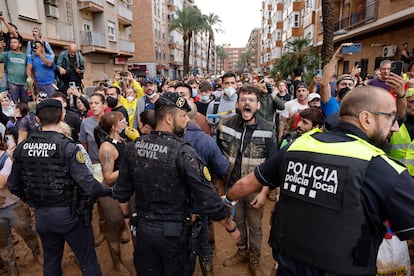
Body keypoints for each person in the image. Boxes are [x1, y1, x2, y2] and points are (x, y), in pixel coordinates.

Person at [224, 85, 414, 275]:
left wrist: (226, 201)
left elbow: (246, 183)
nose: (396, 126)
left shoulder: (298, 146)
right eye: (392, 117)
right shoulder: (382, 168)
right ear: (366, 118)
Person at [112, 92, 240, 276]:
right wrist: (231, 227)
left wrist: (127, 219)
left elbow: (122, 193)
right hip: (174, 235)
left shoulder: (134, 147)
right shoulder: (183, 153)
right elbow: (207, 197)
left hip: (143, 230)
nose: (188, 120)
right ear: (170, 119)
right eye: (183, 115)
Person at [8, 99, 112, 275]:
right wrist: (111, 191)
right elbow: (89, 185)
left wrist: (33, 201)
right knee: (88, 263)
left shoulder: (22, 148)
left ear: (38, 120)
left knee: (51, 262)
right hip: (70, 215)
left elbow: (13, 185)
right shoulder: (68, 147)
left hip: (43, 215)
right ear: (62, 116)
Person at [217, 85, 278, 275]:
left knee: (255, 225)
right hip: (232, 187)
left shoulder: (268, 129)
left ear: (258, 105)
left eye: (251, 100)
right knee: (238, 222)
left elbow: (272, 165)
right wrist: (221, 189)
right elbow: (218, 156)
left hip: (255, 189)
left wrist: (263, 192)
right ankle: (242, 252)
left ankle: (255, 259)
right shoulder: (224, 124)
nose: (247, 103)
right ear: (237, 103)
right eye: (243, 99)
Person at [184, 102, 228, 275]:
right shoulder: (207, 141)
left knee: (182, 246)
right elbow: (223, 168)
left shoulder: (173, 139)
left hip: (178, 201)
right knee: (203, 243)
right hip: (200, 199)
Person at [0, 131, 42, 276]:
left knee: (27, 232)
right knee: (3, 243)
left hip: (14, 205)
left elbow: (2, 182)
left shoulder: (7, 158)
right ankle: (12, 270)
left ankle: (37, 254)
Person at [95, 111, 130, 274]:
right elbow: (108, 177)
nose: (126, 124)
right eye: (123, 122)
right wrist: (128, 168)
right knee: (114, 226)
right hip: (111, 193)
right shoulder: (107, 148)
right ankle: (117, 263)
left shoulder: (121, 139)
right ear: (115, 127)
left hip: (125, 189)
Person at [0, 37, 28, 103]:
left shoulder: (24, 56)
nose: (12, 44)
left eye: (14, 42)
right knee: (13, 103)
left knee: (24, 104)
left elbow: (28, 68)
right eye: (11, 42)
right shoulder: (6, 54)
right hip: (12, 84)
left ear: (20, 45)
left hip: (24, 84)